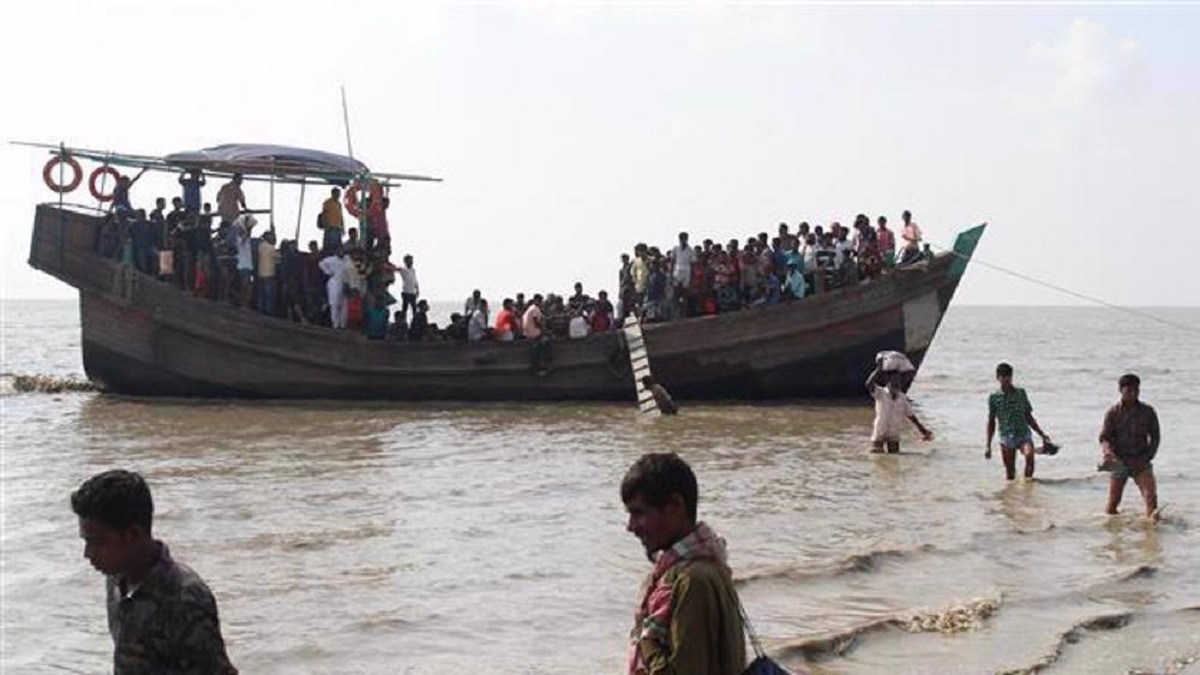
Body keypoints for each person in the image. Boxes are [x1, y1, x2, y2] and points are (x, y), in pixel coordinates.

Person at [71, 470, 237, 675]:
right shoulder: (116, 579)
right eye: (86, 541)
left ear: (133, 534)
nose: (88, 554)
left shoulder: (184, 598)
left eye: (97, 542)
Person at [622, 453, 744, 675]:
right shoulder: (707, 564)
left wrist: (646, 636)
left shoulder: (692, 581)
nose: (630, 526)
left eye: (638, 513)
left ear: (675, 506)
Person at [1099, 373, 1161, 519]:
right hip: (1119, 461)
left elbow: (1155, 437)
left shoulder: (1148, 411)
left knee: (1151, 498)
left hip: (1141, 461)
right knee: (1113, 504)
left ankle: (1152, 530)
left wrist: (1148, 457)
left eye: (1136, 390)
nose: (1133, 394)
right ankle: (1112, 531)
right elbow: (1104, 437)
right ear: (1120, 390)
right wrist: (1107, 451)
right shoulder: (1113, 413)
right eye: (1129, 390)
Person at [986, 362, 1051, 480]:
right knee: (1010, 473)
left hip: (1023, 434)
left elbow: (1028, 416)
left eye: (1008, 377)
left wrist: (1042, 434)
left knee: (1029, 457)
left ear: (1012, 377)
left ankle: (1028, 485)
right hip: (1006, 437)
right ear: (998, 378)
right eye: (1003, 377)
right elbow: (991, 421)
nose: (1006, 380)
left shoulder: (1021, 393)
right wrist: (988, 445)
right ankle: (1012, 491)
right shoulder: (994, 397)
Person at [866, 358, 933, 453]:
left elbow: (911, 416)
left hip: (894, 432)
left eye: (897, 383)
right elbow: (869, 384)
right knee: (877, 454)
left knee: (895, 456)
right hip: (880, 430)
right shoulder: (881, 393)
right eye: (893, 382)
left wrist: (923, 431)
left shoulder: (902, 398)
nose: (895, 385)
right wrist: (879, 369)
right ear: (888, 383)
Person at [319, 248, 349, 329]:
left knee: (344, 304)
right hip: (334, 283)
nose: (341, 252)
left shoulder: (347, 259)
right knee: (334, 304)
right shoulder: (331, 259)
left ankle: (343, 324)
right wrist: (328, 272)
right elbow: (321, 264)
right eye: (339, 251)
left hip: (344, 283)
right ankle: (335, 324)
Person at [256, 229, 278, 316]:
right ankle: (267, 312)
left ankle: (260, 310)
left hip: (260, 272)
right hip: (269, 273)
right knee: (268, 295)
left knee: (261, 294)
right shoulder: (271, 248)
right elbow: (277, 257)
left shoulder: (260, 246)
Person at [398, 255, 419, 321]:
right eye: (409, 261)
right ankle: (403, 321)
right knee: (404, 309)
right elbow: (395, 268)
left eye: (412, 261)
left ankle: (415, 322)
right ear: (406, 262)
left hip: (412, 292)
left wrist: (417, 290)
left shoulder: (413, 270)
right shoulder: (403, 270)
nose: (411, 262)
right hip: (406, 292)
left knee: (414, 309)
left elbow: (415, 281)